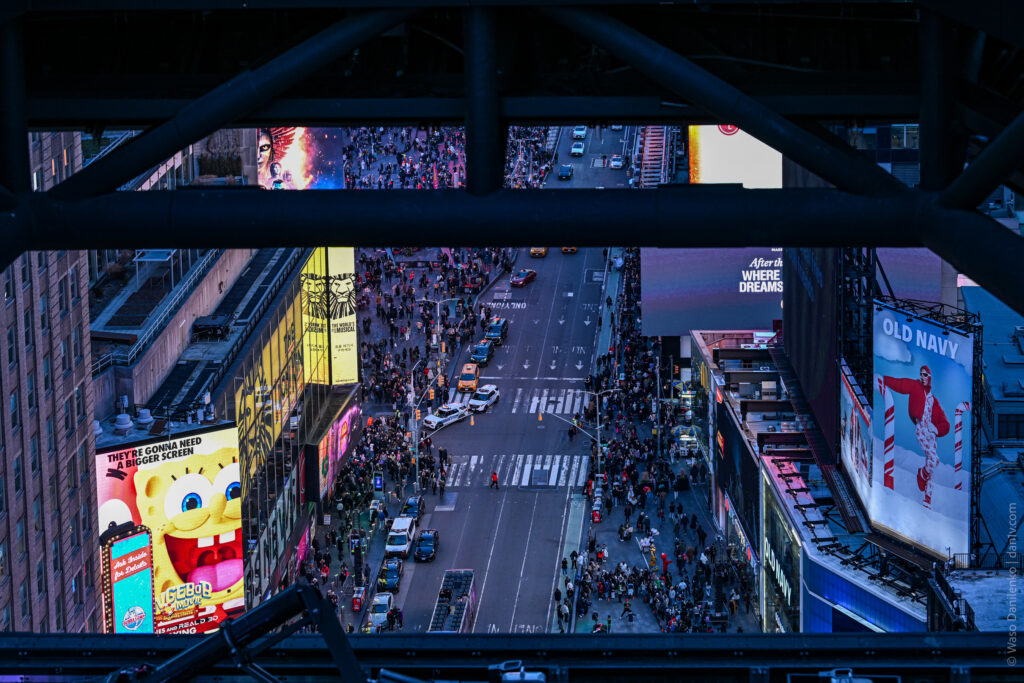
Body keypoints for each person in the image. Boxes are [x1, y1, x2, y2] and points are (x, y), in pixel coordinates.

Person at [881, 366, 951, 507]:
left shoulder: (933, 400)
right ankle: (922, 474)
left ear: (929, 377)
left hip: (932, 434)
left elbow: (945, 423)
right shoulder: (915, 386)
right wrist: (883, 380)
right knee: (934, 460)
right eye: (921, 374)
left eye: (925, 374)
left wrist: (936, 429)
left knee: (932, 467)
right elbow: (900, 384)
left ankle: (927, 498)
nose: (922, 377)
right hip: (921, 429)